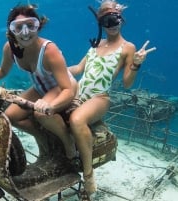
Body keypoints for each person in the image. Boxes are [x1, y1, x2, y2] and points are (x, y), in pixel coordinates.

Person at [67, 0, 156, 197]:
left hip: (100, 97)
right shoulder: (96, 44)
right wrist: (59, 69)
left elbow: (127, 83)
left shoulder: (128, 47)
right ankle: (61, 161)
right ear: (101, 23)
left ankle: (88, 175)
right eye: (107, 20)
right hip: (78, 93)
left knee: (76, 119)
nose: (112, 23)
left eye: (115, 18)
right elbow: (79, 69)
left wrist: (136, 64)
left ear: (121, 19)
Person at [0, 4, 77, 159]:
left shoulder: (49, 50)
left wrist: (51, 106)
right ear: (11, 30)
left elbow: (68, 89)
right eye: (18, 27)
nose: (25, 32)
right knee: (10, 116)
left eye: (30, 26)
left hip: (62, 86)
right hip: (39, 88)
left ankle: (67, 142)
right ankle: (43, 138)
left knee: (41, 114)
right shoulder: (10, 48)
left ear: (38, 26)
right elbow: (3, 71)